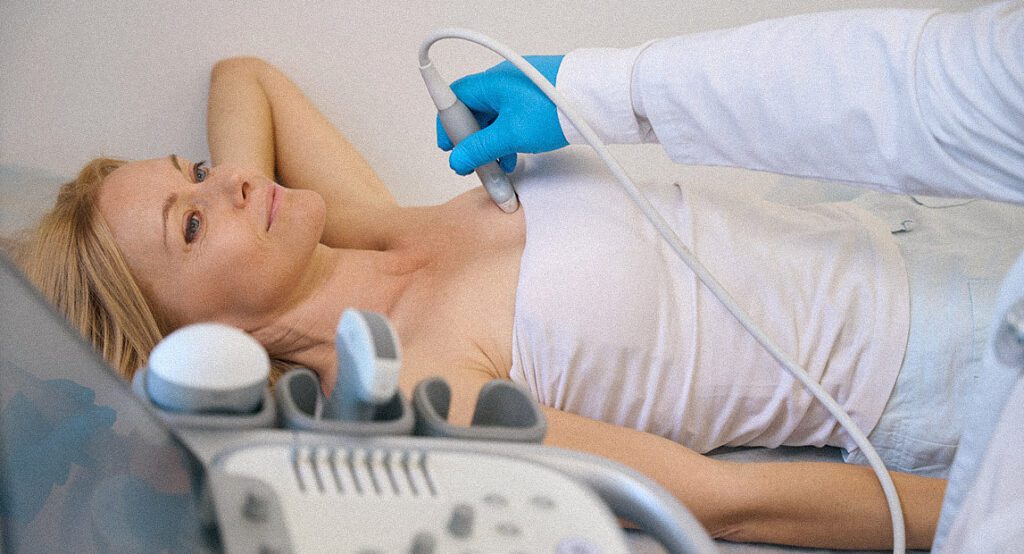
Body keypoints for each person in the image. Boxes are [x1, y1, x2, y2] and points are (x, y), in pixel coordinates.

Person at [10, 6, 1020, 549]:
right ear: (190, 347)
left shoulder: (373, 229)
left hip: (922, 224)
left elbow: (246, 73)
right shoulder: (427, 389)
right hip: (942, 379)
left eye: (197, 170)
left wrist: (218, 214)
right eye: (192, 218)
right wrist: (984, 516)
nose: (231, 177)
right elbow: (724, 501)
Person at [435, 1, 1024, 551]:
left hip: (934, 268)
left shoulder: (380, 235)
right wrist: (594, 91)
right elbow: (926, 83)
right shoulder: (421, 379)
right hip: (929, 317)